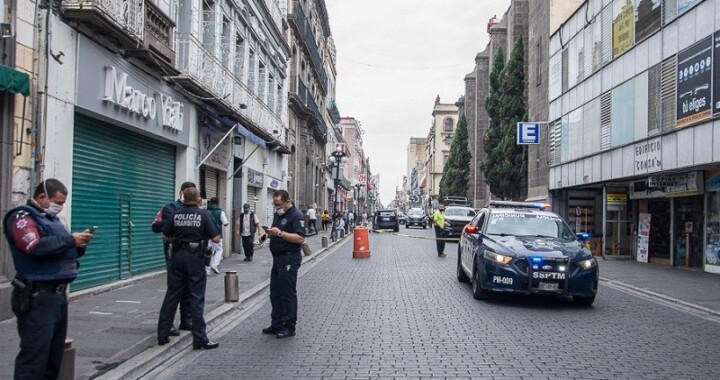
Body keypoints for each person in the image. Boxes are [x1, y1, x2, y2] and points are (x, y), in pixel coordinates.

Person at [3, 178, 93, 379]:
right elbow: (34, 247)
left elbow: (61, 252)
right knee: (35, 357)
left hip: (57, 297)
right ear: (42, 197)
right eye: (58, 203)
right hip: (37, 296)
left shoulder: (53, 221)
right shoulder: (22, 218)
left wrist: (79, 245)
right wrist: (71, 240)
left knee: (53, 358)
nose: (60, 208)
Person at [158, 187, 221, 350]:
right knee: (196, 297)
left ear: (183, 198)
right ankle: (200, 338)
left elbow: (165, 235)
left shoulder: (176, 214)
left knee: (172, 294)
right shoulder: (204, 215)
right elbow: (216, 237)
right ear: (199, 199)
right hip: (196, 258)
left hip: (177, 257)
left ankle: (162, 334)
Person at [151, 181, 196, 334]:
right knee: (175, 287)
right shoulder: (170, 208)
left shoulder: (196, 210)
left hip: (192, 254)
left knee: (189, 288)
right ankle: (168, 324)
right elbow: (156, 226)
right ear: (181, 193)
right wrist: (173, 222)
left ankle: (187, 319)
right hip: (174, 252)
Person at [262, 189, 306, 339]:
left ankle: (289, 326)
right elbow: (276, 230)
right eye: (275, 205)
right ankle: (277, 323)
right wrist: (267, 234)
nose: (277, 208)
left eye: (279, 204)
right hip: (278, 258)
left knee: (287, 293)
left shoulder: (297, 215)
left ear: (288, 201)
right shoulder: (278, 214)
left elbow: (300, 238)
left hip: (289, 258)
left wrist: (280, 233)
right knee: (275, 292)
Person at [206, 197, 228, 275]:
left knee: (208, 252)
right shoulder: (220, 212)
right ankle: (214, 264)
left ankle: (207, 270)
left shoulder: (205, 211)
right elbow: (225, 223)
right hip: (216, 235)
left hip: (206, 235)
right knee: (219, 250)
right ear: (218, 203)